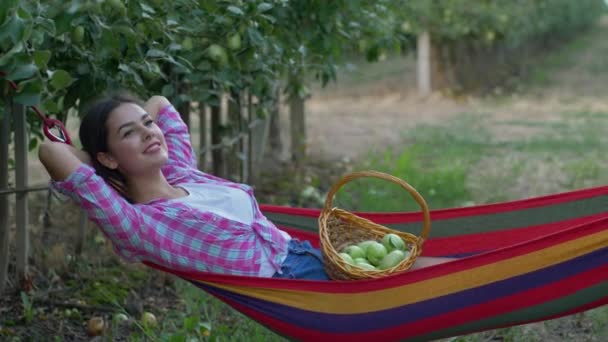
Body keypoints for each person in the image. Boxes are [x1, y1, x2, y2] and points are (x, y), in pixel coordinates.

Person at [38, 93, 452, 281]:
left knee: (435, 264)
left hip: (306, 252)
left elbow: (161, 104)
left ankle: (499, 274)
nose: (150, 133)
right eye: (130, 133)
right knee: (434, 277)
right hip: (296, 285)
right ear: (107, 158)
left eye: (146, 127)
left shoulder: (183, 173)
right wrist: (102, 168)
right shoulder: (137, 224)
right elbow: (50, 152)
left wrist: (128, 139)